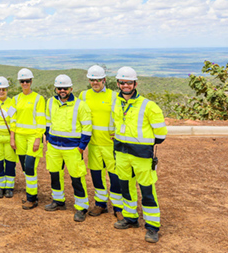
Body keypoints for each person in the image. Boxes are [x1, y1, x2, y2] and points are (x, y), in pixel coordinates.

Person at [112, 66, 167, 243]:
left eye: (129, 82)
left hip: (142, 155)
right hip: (121, 152)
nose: (125, 85)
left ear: (135, 83)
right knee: (125, 188)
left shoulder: (148, 105)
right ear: (118, 84)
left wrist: (142, 145)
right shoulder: (116, 103)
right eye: (122, 82)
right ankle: (130, 218)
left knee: (147, 190)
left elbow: (161, 135)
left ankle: (152, 227)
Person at [44, 74, 93, 222]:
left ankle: (81, 207)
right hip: (54, 147)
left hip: (73, 148)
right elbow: (47, 121)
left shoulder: (80, 105)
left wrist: (81, 147)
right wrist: (48, 137)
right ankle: (58, 201)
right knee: (54, 175)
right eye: (59, 88)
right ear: (56, 89)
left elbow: (87, 128)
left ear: (71, 88)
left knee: (76, 178)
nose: (62, 91)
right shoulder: (50, 102)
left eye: (65, 88)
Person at [81, 65, 123, 218]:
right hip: (93, 144)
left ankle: (119, 208)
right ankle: (100, 204)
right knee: (96, 176)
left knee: (114, 177)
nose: (95, 82)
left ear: (104, 80)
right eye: (92, 80)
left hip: (110, 145)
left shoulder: (113, 96)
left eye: (98, 79)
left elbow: (121, 117)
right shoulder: (84, 96)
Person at [12, 68, 46, 210]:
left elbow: (41, 120)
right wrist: (12, 138)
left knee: (30, 166)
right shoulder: (16, 99)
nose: (25, 83)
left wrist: (38, 138)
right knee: (25, 168)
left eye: (27, 81)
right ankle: (32, 193)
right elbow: (13, 120)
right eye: (22, 81)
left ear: (31, 81)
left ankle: (31, 198)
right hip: (19, 138)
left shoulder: (38, 99)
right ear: (20, 82)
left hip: (33, 137)